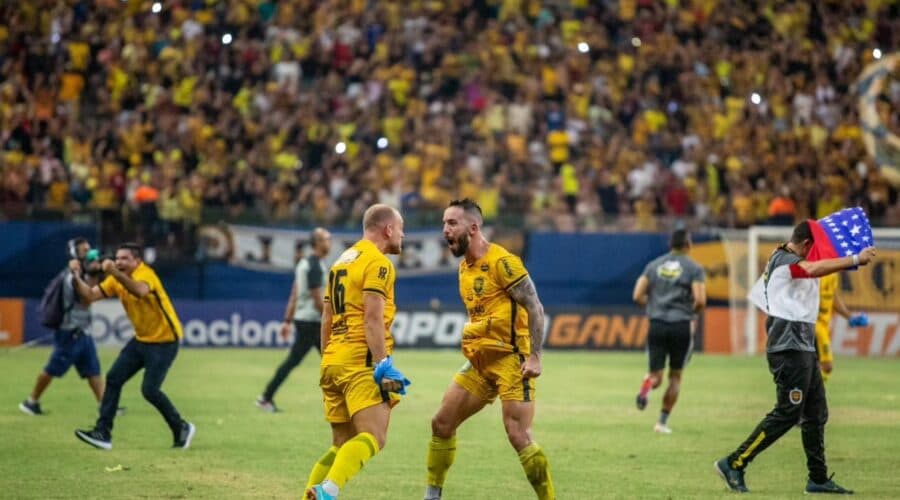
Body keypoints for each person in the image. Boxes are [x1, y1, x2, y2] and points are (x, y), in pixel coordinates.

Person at [715, 221, 876, 494]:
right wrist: (854, 260)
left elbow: (816, 274)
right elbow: (811, 269)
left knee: (816, 413)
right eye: (816, 248)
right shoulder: (786, 260)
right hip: (788, 348)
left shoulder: (787, 258)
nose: (817, 254)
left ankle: (818, 479)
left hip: (803, 346)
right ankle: (734, 463)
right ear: (806, 244)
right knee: (788, 412)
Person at [424, 198, 555, 500]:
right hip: (480, 362)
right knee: (441, 423)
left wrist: (535, 356)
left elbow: (535, 306)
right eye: (444, 223)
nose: (445, 230)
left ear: (473, 227)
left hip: (511, 359)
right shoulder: (464, 269)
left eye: (452, 223)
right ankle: (432, 496)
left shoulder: (503, 262)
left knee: (518, 434)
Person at [305, 204, 410, 500]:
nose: (403, 236)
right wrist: (383, 364)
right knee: (374, 436)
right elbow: (372, 319)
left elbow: (326, 318)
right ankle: (328, 491)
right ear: (388, 229)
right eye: (401, 229)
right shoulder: (378, 263)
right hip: (360, 361)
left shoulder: (340, 262)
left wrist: (328, 360)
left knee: (340, 444)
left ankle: (311, 495)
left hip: (333, 359)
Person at [70, 243, 195, 450]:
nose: (119, 262)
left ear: (137, 261)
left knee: (150, 390)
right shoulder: (117, 278)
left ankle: (181, 427)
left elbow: (139, 291)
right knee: (113, 378)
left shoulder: (146, 274)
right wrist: (76, 275)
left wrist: (113, 271)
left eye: (124, 258)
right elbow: (89, 296)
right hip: (142, 340)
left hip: (164, 341)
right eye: (117, 258)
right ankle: (103, 433)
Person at [631, 229, 706, 434]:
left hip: (657, 324)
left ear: (670, 245)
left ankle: (648, 384)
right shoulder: (694, 268)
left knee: (656, 376)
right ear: (688, 245)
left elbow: (637, 295)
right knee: (675, 376)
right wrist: (690, 313)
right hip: (680, 325)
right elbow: (700, 300)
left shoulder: (653, 265)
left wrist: (654, 307)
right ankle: (661, 423)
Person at [19, 238, 106, 415]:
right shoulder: (71, 277)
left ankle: (106, 406)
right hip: (70, 333)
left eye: (89, 249)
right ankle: (31, 401)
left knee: (93, 371)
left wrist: (94, 273)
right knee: (52, 369)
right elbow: (87, 299)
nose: (90, 254)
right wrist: (95, 274)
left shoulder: (82, 275)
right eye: (84, 251)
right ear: (75, 254)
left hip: (83, 332)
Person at [257, 228, 333, 412]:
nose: (329, 242)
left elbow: (294, 294)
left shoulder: (304, 264)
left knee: (303, 360)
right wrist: (334, 319)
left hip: (304, 320)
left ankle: (266, 397)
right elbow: (317, 299)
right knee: (333, 359)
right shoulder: (315, 266)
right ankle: (265, 397)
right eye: (326, 239)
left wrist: (287, 320)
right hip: (313, 321)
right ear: (316, 243)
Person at [815, 273, 868, 383]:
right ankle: (812, 390)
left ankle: (811, 390)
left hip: (824, 324)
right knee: (826, 365)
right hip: (814, 324)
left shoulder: (833, 273)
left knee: (818, 365)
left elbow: (833, 296)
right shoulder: (816, 270)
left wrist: (850, 316)